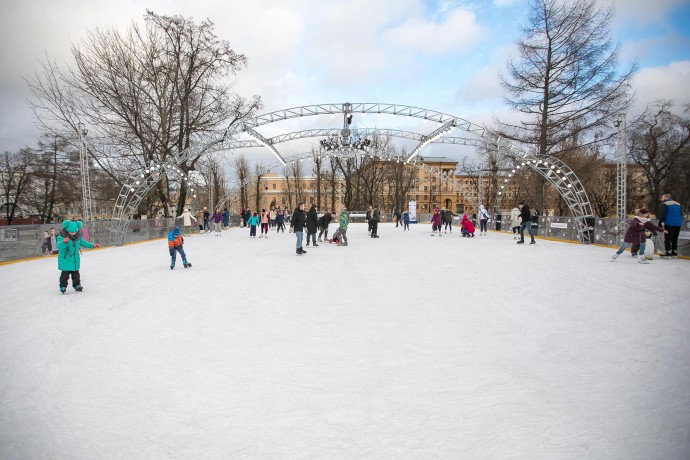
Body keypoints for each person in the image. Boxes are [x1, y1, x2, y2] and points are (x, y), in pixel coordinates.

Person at [57, 219, 99, 293]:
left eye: (74, 232)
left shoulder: (78, 237)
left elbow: (84, 243)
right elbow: (59, 246)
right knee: (65, 275)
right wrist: (63, 242)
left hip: (75, 259)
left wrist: (93, 245)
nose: (73, 233)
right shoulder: (62, 237)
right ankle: (63, 286)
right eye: (71, 232)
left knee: (76, 275)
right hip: (65, 259)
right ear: (67, 230)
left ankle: (77, 285)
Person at [658, 193, 682, 259]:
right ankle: (674, 253)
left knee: (668, 238)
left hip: (669, 223)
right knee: (674, 238)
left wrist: (660, 223)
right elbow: (680, 213)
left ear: (666, 198)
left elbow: (663, 215)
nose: (661, 199)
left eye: (662, 198)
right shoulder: (678, 204)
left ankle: (668, 253)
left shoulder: (665, 204)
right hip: (678, 223)